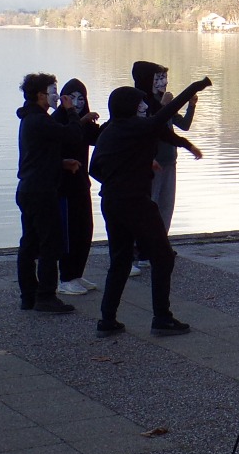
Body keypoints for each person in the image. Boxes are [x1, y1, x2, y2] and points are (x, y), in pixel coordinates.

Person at [90, 76, 212, 336]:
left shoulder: (110, 130)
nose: (145, 106)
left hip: (110, 201)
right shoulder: (138, 127)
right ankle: (162, 318)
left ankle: (107, 320)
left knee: (120, 261)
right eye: (140, 103)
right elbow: (168, 110)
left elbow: (94, 169)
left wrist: (121, 176)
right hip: (136, 202)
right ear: (131, 108)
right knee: (163, 257)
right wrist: (197, 85)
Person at [16, 72, 82, 314]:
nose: (57, 96)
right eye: (53, 91)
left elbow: (38, 154)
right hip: (41, 191)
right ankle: (45, 297)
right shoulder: (40, 121)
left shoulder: (32, 119)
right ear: (40, 95)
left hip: (28, 188)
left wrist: (60, 162)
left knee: (30, 243)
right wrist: (72, 111)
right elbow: (73, 135)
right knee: (49, 245)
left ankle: (28, 296)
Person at [129, 60, 197, 275]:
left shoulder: (163, 101)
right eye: (158, 78)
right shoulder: (140, 103)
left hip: (170, 162)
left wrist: (191, 105)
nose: (164, 82)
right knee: (148, 208)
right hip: (151, 164)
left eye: (165, 78)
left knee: (165, 208)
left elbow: (183, 125)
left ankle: (156, 248)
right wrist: (166, 105)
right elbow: (148, 127)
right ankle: (137, 253)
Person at [52, 78, 102, 297]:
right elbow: (67, 137)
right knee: (69, 233)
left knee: (85, 230)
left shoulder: (83, 122)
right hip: (64, 188)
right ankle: (65, 278)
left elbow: (98, 137)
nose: (77, 103)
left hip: (82, 184)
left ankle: (77, 274)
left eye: (81, 99)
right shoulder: (56, 120)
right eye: (71, 98)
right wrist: (81, 120)